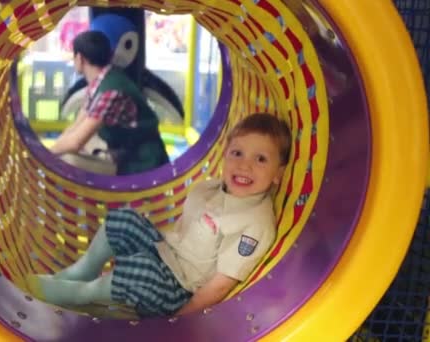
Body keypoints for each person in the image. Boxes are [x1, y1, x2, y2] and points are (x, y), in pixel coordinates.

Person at [28, 113, 292, 318]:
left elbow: (221, 285)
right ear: (224, 155)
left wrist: (178, 321)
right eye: (237, 153)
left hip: (180, 290)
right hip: (167, 256)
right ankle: (82, 271)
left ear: (278, 174)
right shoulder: (212, 189)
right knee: (125, 220)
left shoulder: (254, 223)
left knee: (140, 271)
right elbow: (182, 230)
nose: (244, 164)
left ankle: (79, 294)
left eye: (261, 159)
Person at [50, 31, 169, 175]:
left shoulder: (110, 91)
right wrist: (55, 147)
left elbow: (76, 142)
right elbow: (76, 127)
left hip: (142, 163)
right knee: (69, 147)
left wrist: (46, 154)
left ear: (80, 58)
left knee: (67, 161)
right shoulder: (101, 80)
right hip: (123, 152)